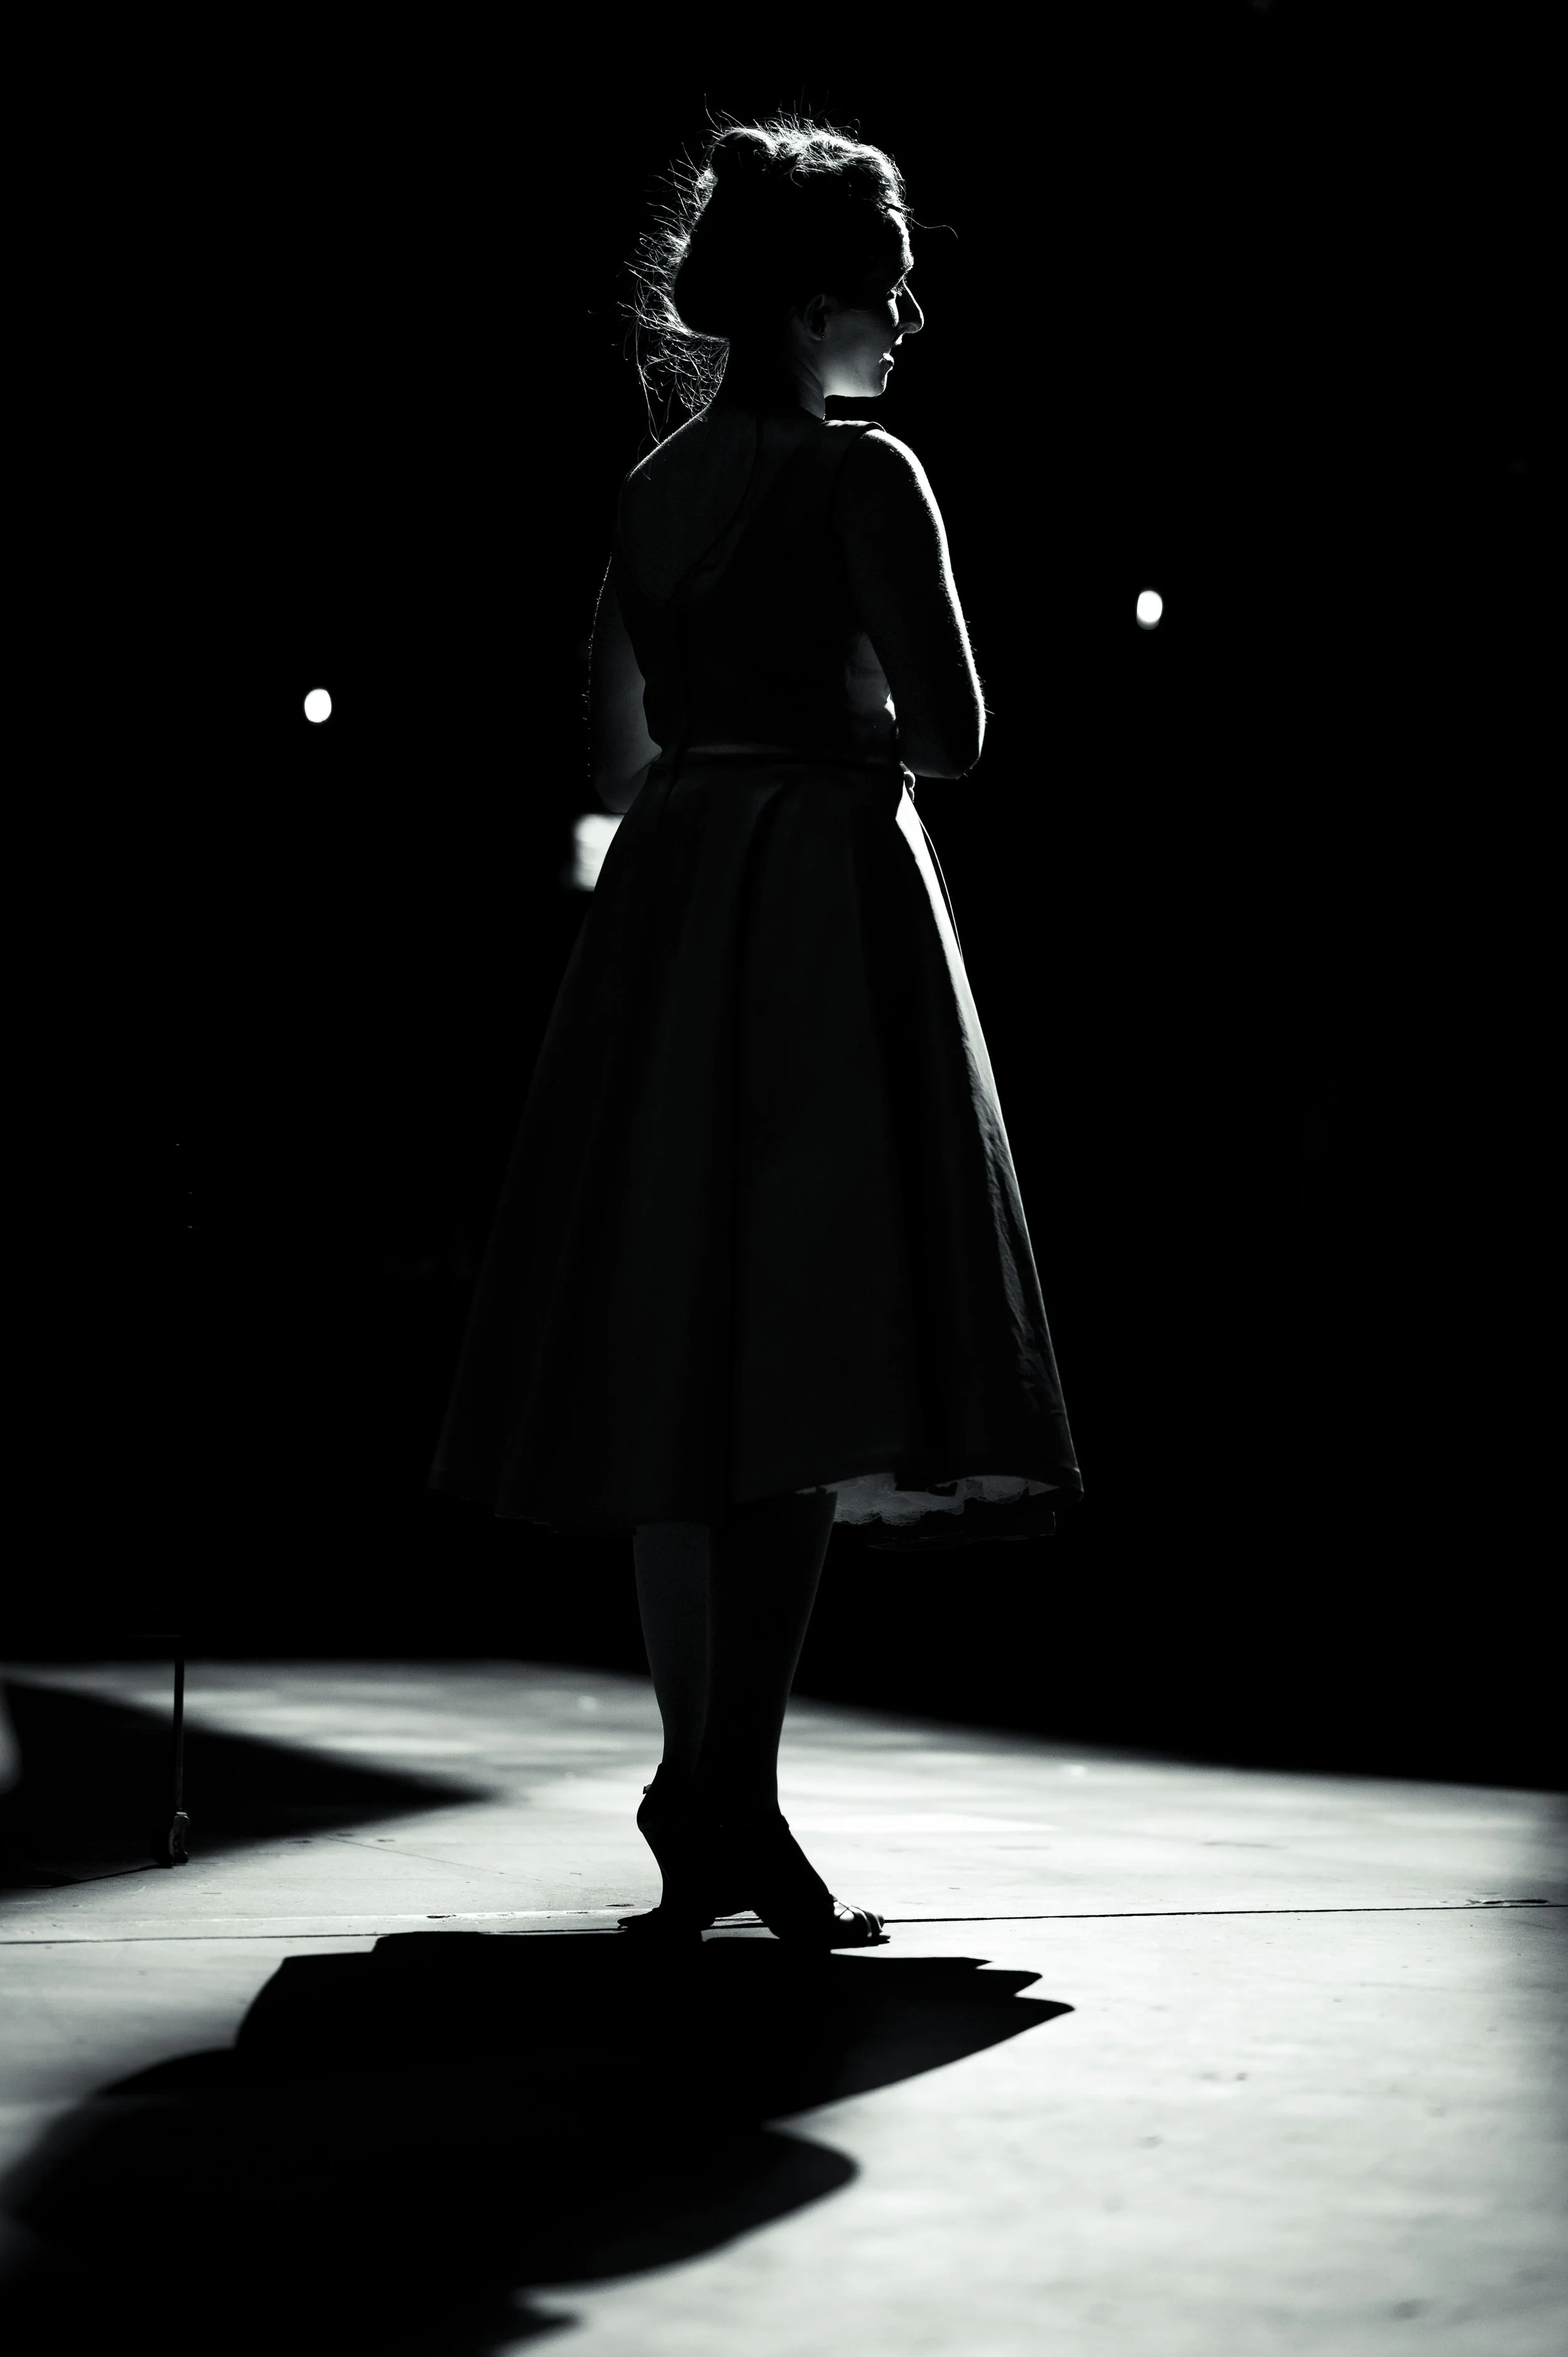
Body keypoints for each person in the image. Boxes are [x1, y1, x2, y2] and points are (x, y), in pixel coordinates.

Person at [428, 116, 1082, 1946]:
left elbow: (611, 754)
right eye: (883, 285)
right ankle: (736, 1789)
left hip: (680, 882)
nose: (901, 314)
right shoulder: (866, 476)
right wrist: (848, 696)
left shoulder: (649, 493)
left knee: (679, 1344)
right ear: (817, 301)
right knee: (796, 1337)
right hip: (813, 890)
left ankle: (698, 1781)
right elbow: (950, 736)